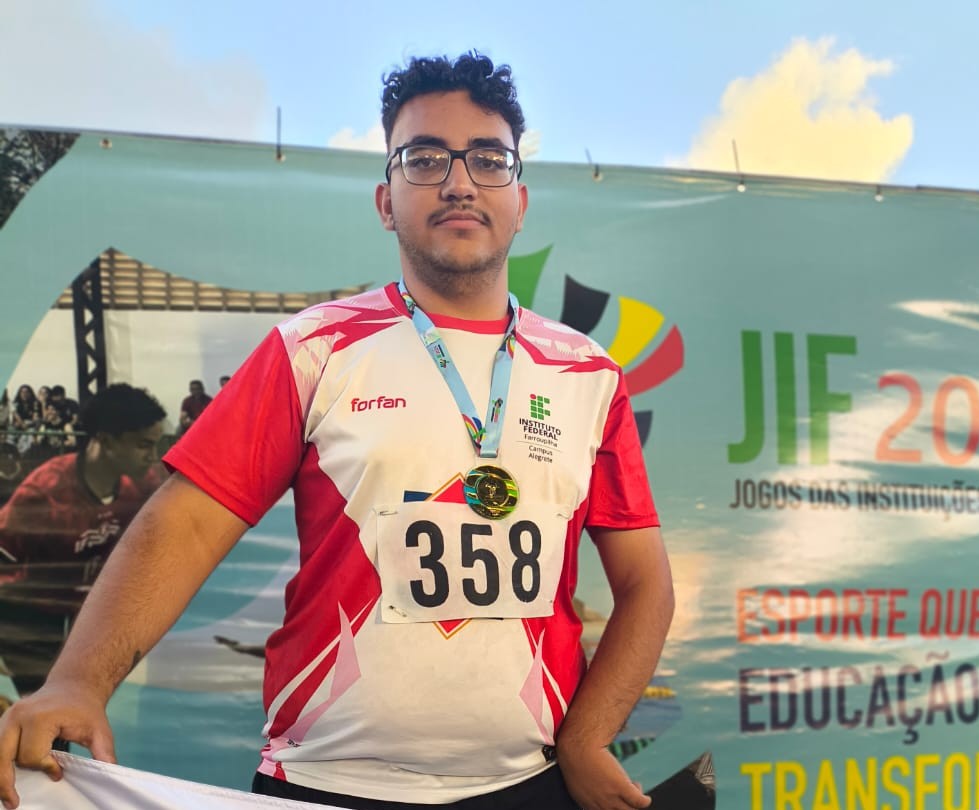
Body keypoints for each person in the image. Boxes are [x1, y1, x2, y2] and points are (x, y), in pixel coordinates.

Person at [0, 52, 674, 810]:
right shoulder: (312, 350)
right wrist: (76, 682)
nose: (459, 182)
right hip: (327, 783)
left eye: (488, 160)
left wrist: (586, 738)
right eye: (425, 158)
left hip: (529, 783)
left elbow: (644, 583)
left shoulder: (587, 373)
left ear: (520, 201)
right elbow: (183, 524)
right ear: (386, 201)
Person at [0, 384, 166, 699]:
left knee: (75, 704)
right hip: (29, 616)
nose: (152, 456)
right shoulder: (45, 491)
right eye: (143, 445)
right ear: (106, 440)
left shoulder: (144, 484)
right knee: (47, 708)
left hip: (86, 614)